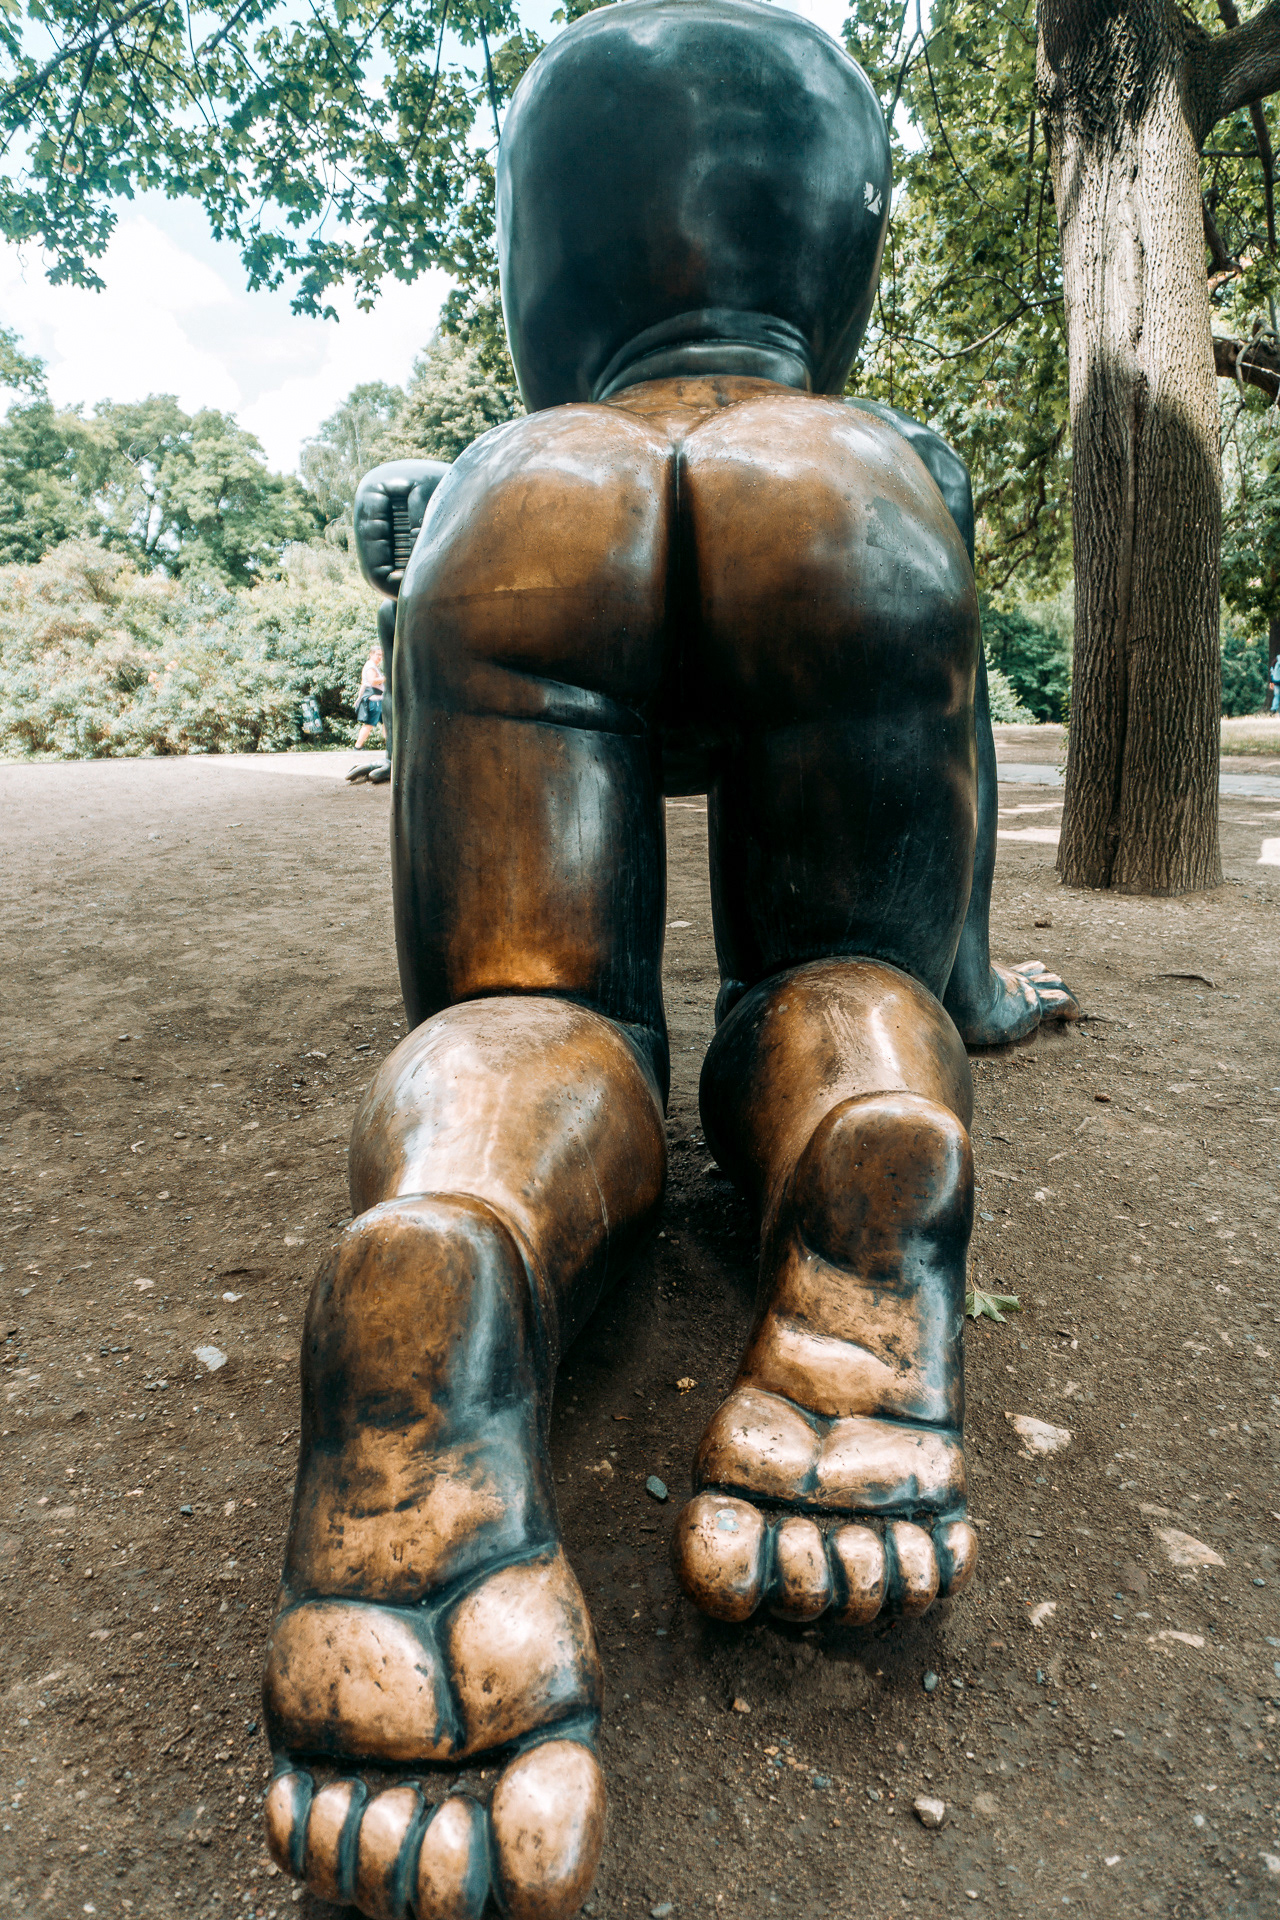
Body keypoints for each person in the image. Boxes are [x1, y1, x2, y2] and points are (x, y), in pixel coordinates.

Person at [262, 6, 1077, 1915]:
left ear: (540, 258)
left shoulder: (499, 466)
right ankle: (870, 1129)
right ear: (842, 251)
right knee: (847, 976)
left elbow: (441, 864)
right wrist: (971, 989)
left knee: (526, 1013)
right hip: (836, 518)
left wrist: (440, 522)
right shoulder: (891, 455)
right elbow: (951, 829)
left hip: (534, 522)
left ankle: (459, 1222)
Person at [345, 643, 385, 781]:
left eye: (381, 655)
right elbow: (372, 682)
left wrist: (359, 698)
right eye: (378, 654)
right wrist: (387, 678)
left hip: (378, 699)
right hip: (374, 699)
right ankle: (358, 746)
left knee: (386, 724)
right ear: (371, 654)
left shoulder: (373, 666)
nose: (380, 657)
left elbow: (363, 685)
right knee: (369, 724)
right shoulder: (370, 666)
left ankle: (389, 745)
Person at [1270, 649, 1280, 713]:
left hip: (1276, 680)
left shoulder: (1276, 660)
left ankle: (1274, 708)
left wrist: (1271, 681)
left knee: (1276, 696)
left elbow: (1272, 671)